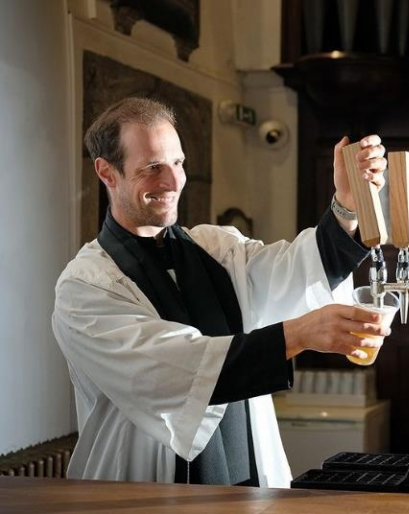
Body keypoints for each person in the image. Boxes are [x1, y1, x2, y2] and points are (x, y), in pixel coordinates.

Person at [52, 97, 389, 488]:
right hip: (142, 488)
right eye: (151, 168)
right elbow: (171, 369)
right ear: (106, 172)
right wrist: (297, 334)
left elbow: (297, 271)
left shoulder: (215, 249)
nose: (172, 181)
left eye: (178, 163)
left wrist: (346, 205)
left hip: (244, 469)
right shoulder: (85, 286)